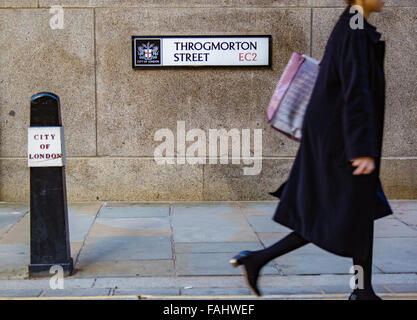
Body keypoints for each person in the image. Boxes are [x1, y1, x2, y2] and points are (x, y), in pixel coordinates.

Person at [230, 0, 392, 300]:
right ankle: (260, 259)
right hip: (344, 146)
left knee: (356, 211)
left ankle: (362, 289)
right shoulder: (354, 28)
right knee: (332, 215)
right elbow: (356, 91)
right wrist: (362, 149)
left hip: (340, 142)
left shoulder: (355, 25)